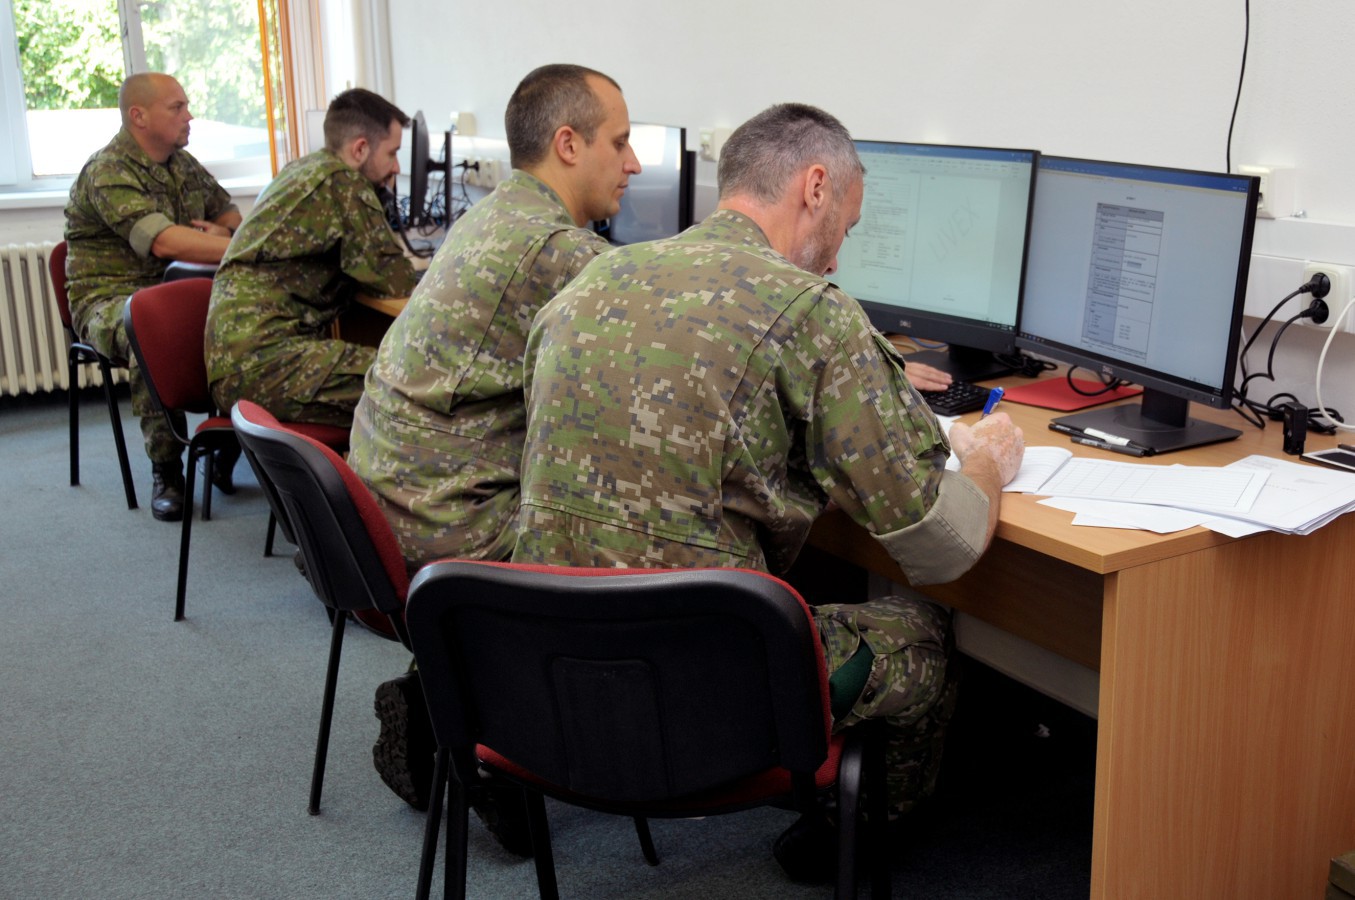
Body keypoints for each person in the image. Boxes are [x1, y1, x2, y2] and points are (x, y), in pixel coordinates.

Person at [510, 103, 1025, 881]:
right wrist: (985, 462)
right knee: (922, 634)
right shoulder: (811, 312)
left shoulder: (589, 281)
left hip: (541, 673)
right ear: (815, 187)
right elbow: (940, 543)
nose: (838, 259)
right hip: (702, 695)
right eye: (846, 226)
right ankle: (850, 839)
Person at [346, 63, 641, 852]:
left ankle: (444, 695)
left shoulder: (494, 213)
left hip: (387, 503)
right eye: (619, 142)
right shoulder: (555, 249)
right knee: (664, 536)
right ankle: (504, 736)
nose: (635, 162)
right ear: (568, 144)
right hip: (445, 521)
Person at [64, 72, 243, 522]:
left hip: (174, 290)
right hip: (109, 298)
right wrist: (239, 246)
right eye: (177, 107)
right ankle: (167, 470)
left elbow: (230, 215)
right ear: (138, 116)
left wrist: (224, 231)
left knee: (249, 322)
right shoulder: (107, 171)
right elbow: (162, 241)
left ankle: (229, 442)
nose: (189, 116)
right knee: (147, 329)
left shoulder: (182, 164)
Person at [204, 88, 419, 431]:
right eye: (392, 153)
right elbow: (398, 283)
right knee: (413, 378)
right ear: (360, 149)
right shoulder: (344, 184)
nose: (396, 167)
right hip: (269, 364)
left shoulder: (304, 169)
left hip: (236, 361)